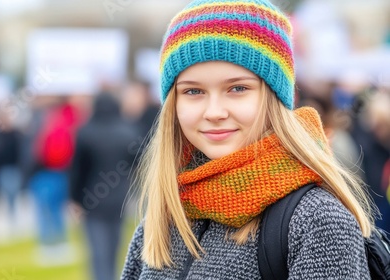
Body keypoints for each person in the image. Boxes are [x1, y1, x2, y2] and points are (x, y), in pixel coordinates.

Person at [121, 0, 374, 279]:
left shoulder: (318, 221)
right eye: (193, 92)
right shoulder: (163, 218)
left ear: (274, 96)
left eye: (238, 88)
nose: (214, 112)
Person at [70, 93, 139, 280]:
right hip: (120, 199)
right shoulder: (127, 132)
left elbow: (77, 171)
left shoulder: (85, 132)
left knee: (98, 251)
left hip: (92, 200)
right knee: (115, 248)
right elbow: (138, 163)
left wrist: (74, 199)